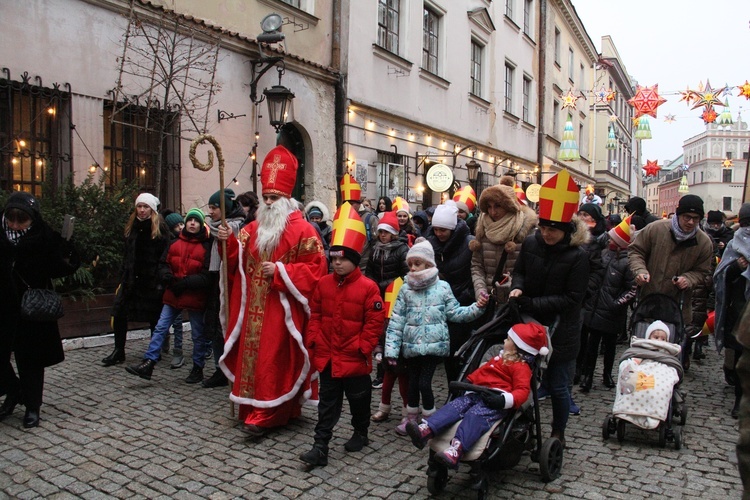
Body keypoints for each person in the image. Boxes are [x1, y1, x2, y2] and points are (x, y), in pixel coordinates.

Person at [218, 145, 328, 435]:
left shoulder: (305, 230)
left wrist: (281, 271)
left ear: (286, 199)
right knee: (255, 357)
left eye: (274, 197)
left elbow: (317, 270)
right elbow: (236, 258)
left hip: (282, 310)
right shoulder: (252, 228)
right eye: (265, 197)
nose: (267, 202)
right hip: (252, 307)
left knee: (275, 359)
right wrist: (226, 239)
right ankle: (253, 407)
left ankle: (271, 413)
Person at [299, 203, 385, 467]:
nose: (336, 263)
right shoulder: (323, 284)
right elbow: (316, 312)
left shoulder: (369, 288)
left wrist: (363, 346)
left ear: (354, 260)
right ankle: (320, 446)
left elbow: (374, 321)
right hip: (328, 356)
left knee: (359, 401)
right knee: (327, 404)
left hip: (355, 358)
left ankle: (361, 431)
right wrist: (313, 338)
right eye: (333, 258)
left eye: (342, 259)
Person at [509, 169, 590, 447]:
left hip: (562, 330)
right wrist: (517, 287)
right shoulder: (532, 242)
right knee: (521, 378)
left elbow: (572, 298)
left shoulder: (578, 256)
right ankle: (519, 422)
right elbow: (518, 271)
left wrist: (533, 302)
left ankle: (558, 431)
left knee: (558, 385)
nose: (546, 234)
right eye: (543, 228)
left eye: (552, 230)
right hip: (528, 323)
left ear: (566, 229)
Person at [405, 323, 548, 468]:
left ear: (518, 347)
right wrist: (469, 380)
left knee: (475, 416)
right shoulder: (499, 359)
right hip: (478, 392)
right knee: (454, 406)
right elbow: (482, 371)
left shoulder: (521, 368)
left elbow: (522, 391)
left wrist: (503, 400)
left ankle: (457, 448)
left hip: (495, 400)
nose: (504, 341)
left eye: (508, 340)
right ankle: (427, 429)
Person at [384, 239, 488, 433]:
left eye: (418, 263)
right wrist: (390, 349)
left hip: (434, 346)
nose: (413, 268)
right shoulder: (406, 289)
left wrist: (477, 308)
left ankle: (431, 421)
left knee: (424, 383)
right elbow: (397, 320)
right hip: (412, 346)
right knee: (413, 384)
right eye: (410, 264)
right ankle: (411, 418)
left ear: (429, 264)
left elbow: (456, 313)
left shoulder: (442, 287)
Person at [0, 192, 80, 428]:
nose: (14, 225)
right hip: (2, 304)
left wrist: (67, 252)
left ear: (32, 219)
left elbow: (61, 268)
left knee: (30, 359)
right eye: (10, 220)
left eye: (21, 221)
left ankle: (32, 406)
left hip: (31, 308)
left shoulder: (44, 236)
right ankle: (14, 392)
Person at [125, 208, 213, 383]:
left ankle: (198, 367)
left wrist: (186, 283)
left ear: (201, 224)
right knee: (161, 327)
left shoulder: (206, 247)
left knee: (197, 333)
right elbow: (163, 263)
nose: (192, 223)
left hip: (194, 295)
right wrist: (168, 278)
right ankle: (149, 362)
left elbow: (206, 275)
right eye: (190, 220)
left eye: (196, 221)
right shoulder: (174, 243)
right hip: (173, 292)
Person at [102, 193, 169, 367]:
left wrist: (160, 278)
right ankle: (119, 350)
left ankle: (155, 351)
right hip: (131, 280)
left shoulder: (160, 229)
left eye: (145, 207)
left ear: (152, 209)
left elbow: (165, 255)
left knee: (154, 317)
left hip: (151, 281)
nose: (142, 210)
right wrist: (123, 275)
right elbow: (127, 254)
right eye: (139, 206)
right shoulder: (132, 227)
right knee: (119, 314)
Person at [629, 194, 714, 328]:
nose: (691, 222)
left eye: (695, 218)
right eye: (687, 217)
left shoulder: (703, 242)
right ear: (678, 214)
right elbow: (636, 251)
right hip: (648, 301)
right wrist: (640, 271)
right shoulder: (656, 229)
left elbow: (702, 271)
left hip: (678, 306)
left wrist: (688, 279)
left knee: (672, 345)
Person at [579, 215, 637, 392]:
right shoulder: (603, 254)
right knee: (592, 345)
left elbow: (632, 290)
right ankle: (587, 375)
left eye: (612, 238)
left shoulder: (628, 263)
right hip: (595, 308)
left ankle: (607, 374)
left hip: (612, 312)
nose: (609, 240)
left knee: (610, 346)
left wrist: (616, 304)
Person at [365, 211, 410, 427]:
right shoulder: (375, 249)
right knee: (380, 332)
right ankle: (381, 369)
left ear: (393, 234)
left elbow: (404, 274)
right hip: (378, 295)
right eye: (380, 232)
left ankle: (405, 409)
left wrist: (384, 286)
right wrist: (372, 284)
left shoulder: (402, 250)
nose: (382, 236)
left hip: (394, 295)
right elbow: (371, 270)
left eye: (386, 232)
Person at [470, 176, 538, 315]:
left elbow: (532, 270)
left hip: (517, 303)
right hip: (490, 301)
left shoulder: (527, 232)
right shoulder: (483, 229)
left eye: (498, 206)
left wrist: (516, 288)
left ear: (508, 206)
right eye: (489, 206)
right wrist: (481, 292)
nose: (493, 212)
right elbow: (477, 266)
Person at [202, 189, 248, 389]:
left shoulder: (237, 229)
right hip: (214, 279)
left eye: (214, 207)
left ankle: (228, 368)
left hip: (230, 282)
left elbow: (235, 258)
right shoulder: (213, 228)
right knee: (214, 326)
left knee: (225, 326)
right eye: (210, 207)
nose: (210, 212)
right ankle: (220, 367)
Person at [425, 203, 476, 382]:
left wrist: (467, 295)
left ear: (453, 228)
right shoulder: (430, 243)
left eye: (443, 230)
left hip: (462, 303)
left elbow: (476, 272)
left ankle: (461, 388)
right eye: (436, 229)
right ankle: (453, 390)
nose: (439, 233)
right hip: (440, 304)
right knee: (446, 353)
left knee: (458, 351)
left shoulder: (469, 243)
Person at [713, 203, 750, 418]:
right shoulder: (733, 246)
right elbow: (720, 278)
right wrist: (735, 269)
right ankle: (739, 400)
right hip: (739, 309)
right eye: (745, 225)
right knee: (739, 359)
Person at [162, 211, 186, 369]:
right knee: (165, 321)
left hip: (185, 285)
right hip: (171, 286)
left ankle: (178, 350)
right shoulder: (169, 244)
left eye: (181, 224)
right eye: (176, 226)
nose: (180, 228)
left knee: (178, 322)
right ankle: (164, 343)